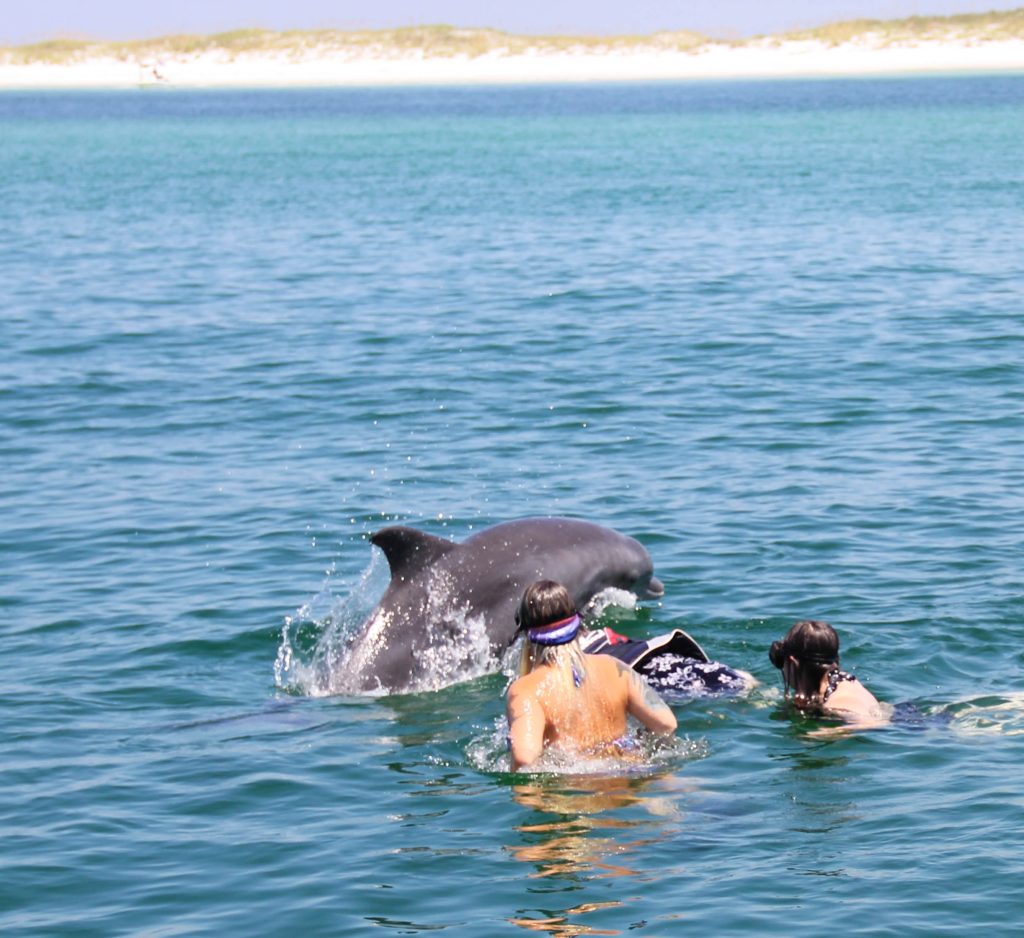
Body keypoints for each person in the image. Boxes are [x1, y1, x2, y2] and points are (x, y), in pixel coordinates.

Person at [506, 580, 677, 770]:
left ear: (526, 635)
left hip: (576, 793)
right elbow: (666, 724)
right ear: (578, 624)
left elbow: (525, 758)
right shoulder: (615, 667)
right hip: (625, 789)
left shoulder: (526, 690)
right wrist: (629, 748)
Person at [768, 619, 883, 726]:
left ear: (792, 662)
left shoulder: (839, 702)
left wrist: (820, 735)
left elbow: (871, 723)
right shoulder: (839, 680)